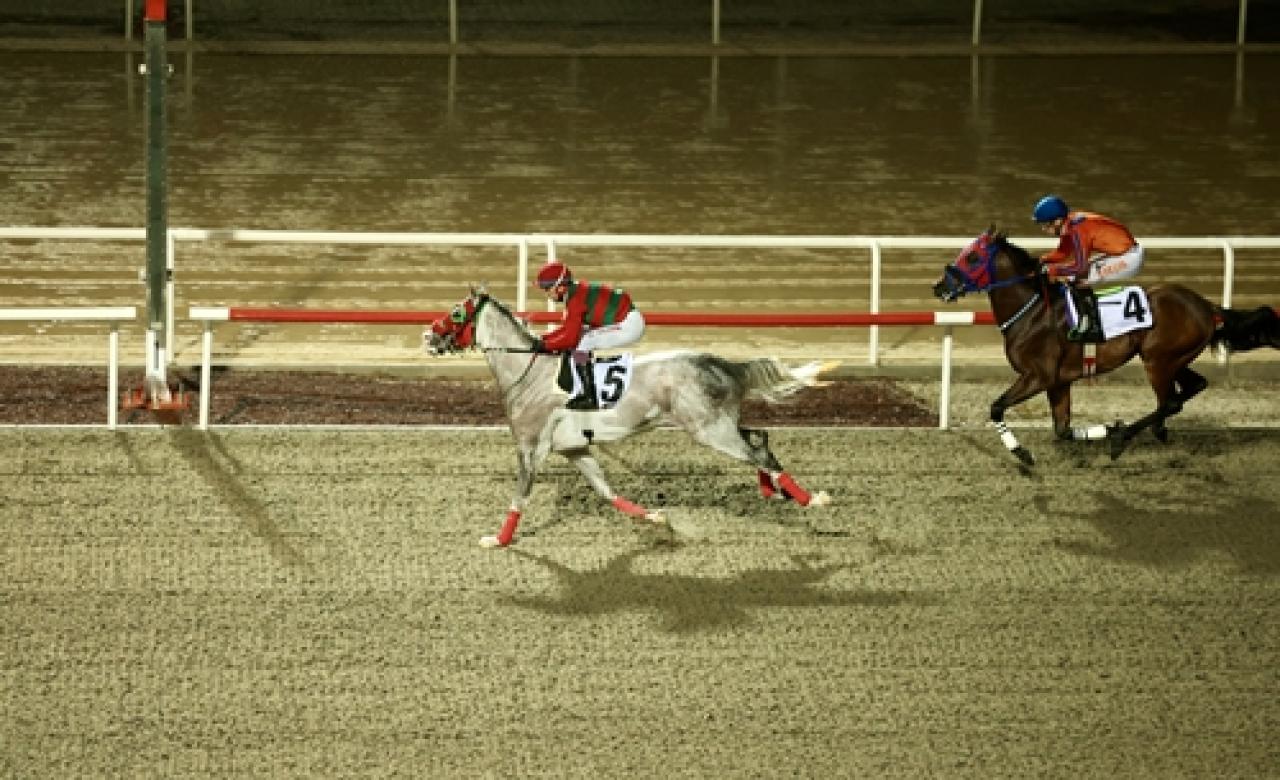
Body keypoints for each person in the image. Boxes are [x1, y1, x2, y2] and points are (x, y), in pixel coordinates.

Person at [531, 260, 646, 410]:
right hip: (625, 320)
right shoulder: (574, 293)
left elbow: (570, 338)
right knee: (582, 341)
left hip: (629, 325)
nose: (546, 293)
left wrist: (545, 345)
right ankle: (581, 386)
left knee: (585, 342)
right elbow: (567, 329)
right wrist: (543, 339)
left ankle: (589, 395)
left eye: (547, 289)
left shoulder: (575, 300)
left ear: (560, 288)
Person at [1032, 195, 1145, 342]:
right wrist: (1041, 260)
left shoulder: (1078, 230)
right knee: (1074, 276)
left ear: (1058, 221)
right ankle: (1087, 319)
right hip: (1123, 253)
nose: (1043, 229)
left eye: (1045, 225)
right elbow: (1063, 253)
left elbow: (1079, 267)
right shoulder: (1070, 224)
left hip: (1129, 258)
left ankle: (1091, 326)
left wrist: (1053, 270)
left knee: (1079, 279)